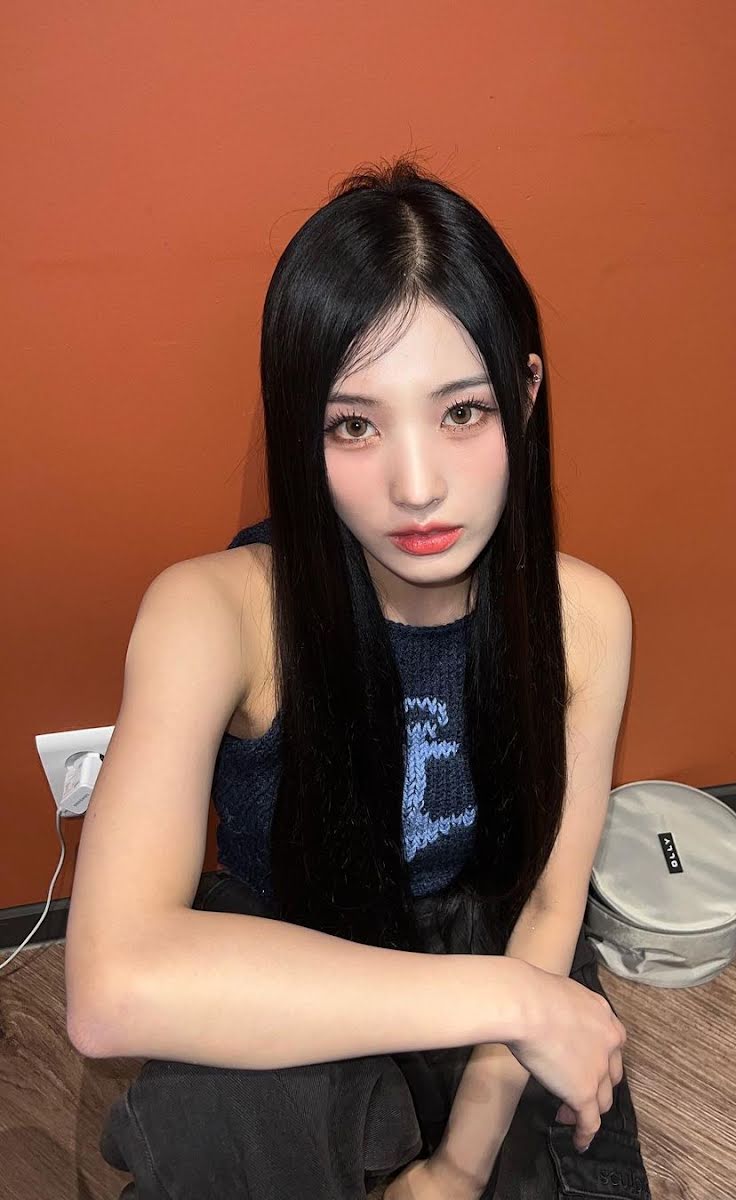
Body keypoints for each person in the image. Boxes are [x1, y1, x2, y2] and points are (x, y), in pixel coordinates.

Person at [65, 156, 653, 1199]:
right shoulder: (214, 614)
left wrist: (460, 1165)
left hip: (483, 933)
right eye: (354, 424)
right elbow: (111, 990)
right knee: (224, 1132)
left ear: (524, 395)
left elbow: (551, 904)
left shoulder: (588, 621)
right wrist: (516, 1003)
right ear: (305, 428)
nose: (416, 487)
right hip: (292, 942)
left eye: (462, 412)